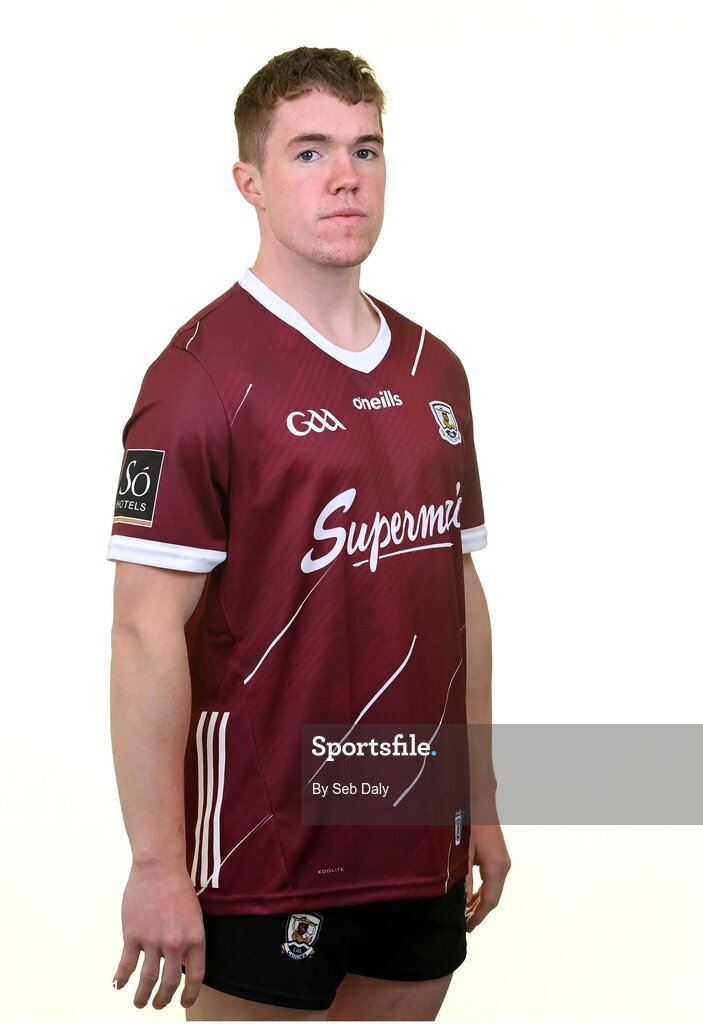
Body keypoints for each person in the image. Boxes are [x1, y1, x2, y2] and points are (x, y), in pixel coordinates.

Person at [108, 45, 510, 1022]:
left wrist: (481, 798)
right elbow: (144, 632)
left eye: (366, 150)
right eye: (309, 152)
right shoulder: (200, 377)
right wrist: (159, 862)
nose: (344, 176)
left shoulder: (433, 370)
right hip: (261, 849)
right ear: (248, 179)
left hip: (411, 831)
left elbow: (454, 594)